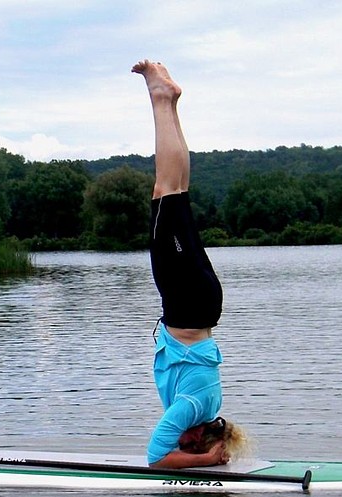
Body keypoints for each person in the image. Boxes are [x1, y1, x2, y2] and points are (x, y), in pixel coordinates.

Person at [132, 59, 248, 469]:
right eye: (188, 446)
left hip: (204, 304)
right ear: (197, 438)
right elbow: (155, 457)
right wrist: (202, 462)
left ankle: (171, 104)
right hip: (186, 303)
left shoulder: (211, 403)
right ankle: (160, 99)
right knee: (165, 190)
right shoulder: (190, 411)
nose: (179, 440)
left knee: (177, 191)